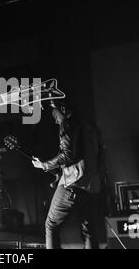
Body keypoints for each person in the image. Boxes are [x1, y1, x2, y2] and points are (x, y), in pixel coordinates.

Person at [32, 104, 105, 249]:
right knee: (89, 231)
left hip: (74, 184)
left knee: (51, 224)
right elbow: (96, 157)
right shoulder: (90, 126)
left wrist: (44, 165)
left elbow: (67, 155)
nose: (55, 121)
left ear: (63, 109)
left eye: (55, 115)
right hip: (93, 187)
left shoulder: (68, 122)